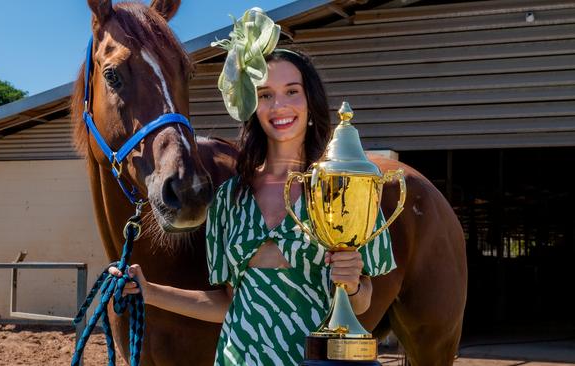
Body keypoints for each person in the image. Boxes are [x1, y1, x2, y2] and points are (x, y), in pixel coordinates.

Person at [110, 9, 396, 365]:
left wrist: (352, 283)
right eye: (265, 95)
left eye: (292, 91)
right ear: (253, 106)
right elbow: (228, 304)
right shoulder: (231, 197)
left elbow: (363, 299)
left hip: (314, 360)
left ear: (310, 101)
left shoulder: (343, 188)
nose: (280, 106)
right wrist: (150, 292)